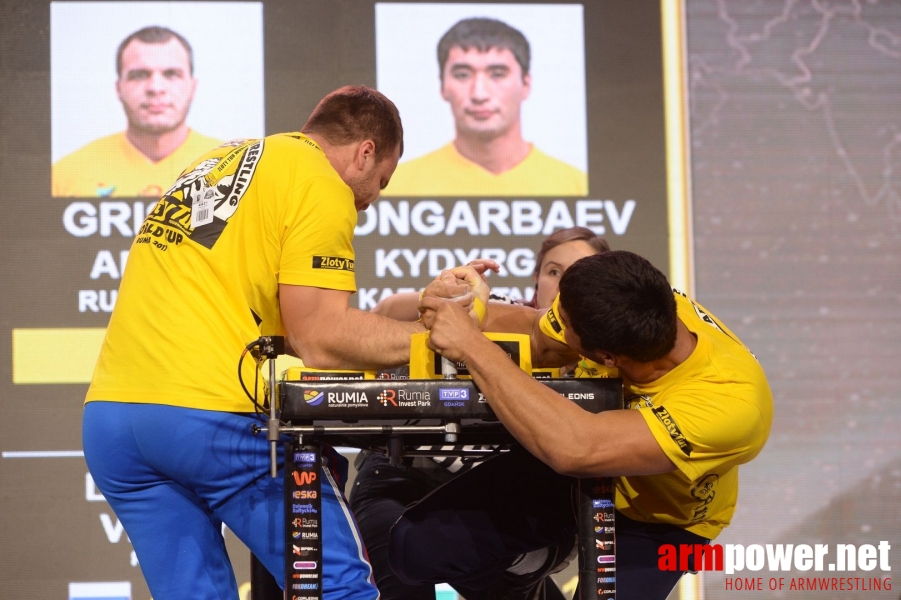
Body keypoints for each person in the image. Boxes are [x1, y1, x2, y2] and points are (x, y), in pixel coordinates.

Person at [82, 85, 433, 600]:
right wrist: (443, 340)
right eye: (380, 181)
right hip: (208, 419)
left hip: (113, 421)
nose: (371, 199)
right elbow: (320, 339)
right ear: (365, 152)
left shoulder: (224, 159)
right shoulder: (318, 181)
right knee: (340, 589)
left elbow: (278, 321)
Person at [391, 251, 774, 600]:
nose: (558, 326)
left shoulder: (733, 404)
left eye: (569, 329)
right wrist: (467, 307)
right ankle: (530, 570)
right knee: (413, 549)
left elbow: (579, 450)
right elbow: (540, 334)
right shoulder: (630, 304)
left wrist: (473, 347)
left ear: (608, 357)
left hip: (663, 517)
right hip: (572, 466)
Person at [349, 227, 610, 600]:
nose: (567, 285)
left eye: (580, 273)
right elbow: (392, 309)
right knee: (398, 565)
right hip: (402, 478)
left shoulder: (601, 367)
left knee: (523, 562)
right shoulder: (497, 311)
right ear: (537, 279)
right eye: (555, 272)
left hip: (488, 504)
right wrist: (443, 298)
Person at [382, 17, 587, 197]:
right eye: (462, 74)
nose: (479, 94)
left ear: (526, 84)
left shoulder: (575, 183)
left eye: (497, 74)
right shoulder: (396, 184)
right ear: (443, 85)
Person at [52, 26, 222, 197]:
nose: (156, 88)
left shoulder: (235, 169)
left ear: (193, 87)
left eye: (171, 74)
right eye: (139, 75)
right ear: (119, 88)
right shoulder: (66, 175)